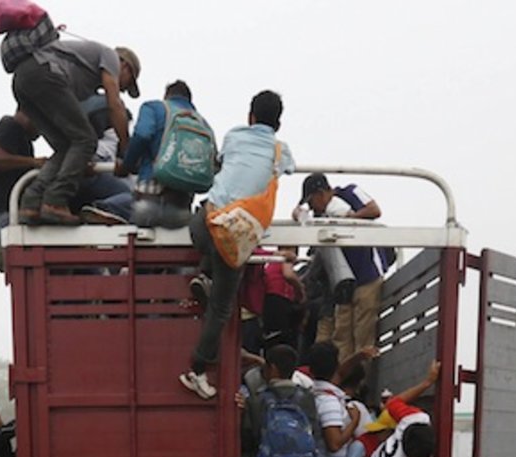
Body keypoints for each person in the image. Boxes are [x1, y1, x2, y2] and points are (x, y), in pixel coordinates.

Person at [180, 90, 293, 401]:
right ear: (278, 123)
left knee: (208, 240)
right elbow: (287, 170)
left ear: (250, 116)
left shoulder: (233, 136)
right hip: (234, 234)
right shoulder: (281, 151)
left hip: (204, 222)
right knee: (221, 307)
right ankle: (197, 369)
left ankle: (205, 275)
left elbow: (222, 164)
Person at [7, 34, 138, 225]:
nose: (124, 89)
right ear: (124, 66)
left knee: (66, 147)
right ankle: (55, 201)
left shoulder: (83, 81)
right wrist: (127, 152)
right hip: (44, 72)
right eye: (128, 82)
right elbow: (114, 105)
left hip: (21, 81)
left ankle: (31, 203)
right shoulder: (110, 56)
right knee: (86, 141)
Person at [298, 175, 392, 365]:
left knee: (362, 334)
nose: (312, 207)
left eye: (312, 201)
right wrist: (300, 212)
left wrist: (349, 220)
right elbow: (299, 216)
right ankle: (343, 384)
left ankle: (359, 384)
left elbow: (374, 210)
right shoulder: (321, 216)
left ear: (321, 194)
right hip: (343, 283)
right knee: (341, 336)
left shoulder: (349, 193)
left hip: (367, 275)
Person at [123, 80, 205, 229]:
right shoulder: (202, 124)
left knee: (113, 204)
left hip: (147, 205)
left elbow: (142, 135)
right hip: (181, 213)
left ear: (167, 96)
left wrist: (126, 165)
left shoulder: (154, 108)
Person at [304, 344, 361, 457]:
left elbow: (340, 374)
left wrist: (357, 357)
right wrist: (354, 421)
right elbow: (334, 443)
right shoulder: (328, 401)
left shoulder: (310, 394)